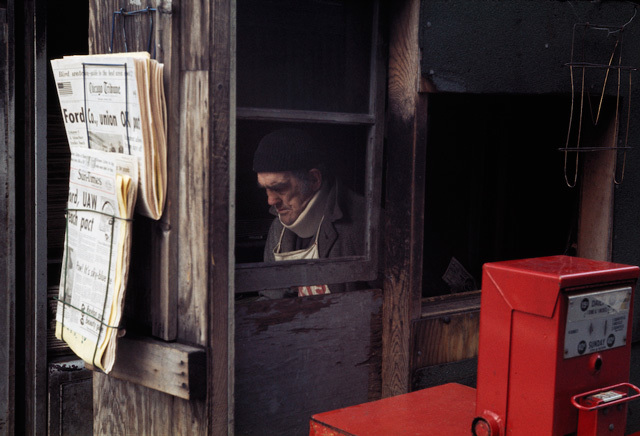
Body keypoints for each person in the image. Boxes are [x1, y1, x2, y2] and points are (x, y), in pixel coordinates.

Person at [253, 128, 369, 298]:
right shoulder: (279, 226)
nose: (270, 201)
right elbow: (270, 298)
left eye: (279, 188)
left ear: (314, 179)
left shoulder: (364, 223)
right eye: (266, 189)